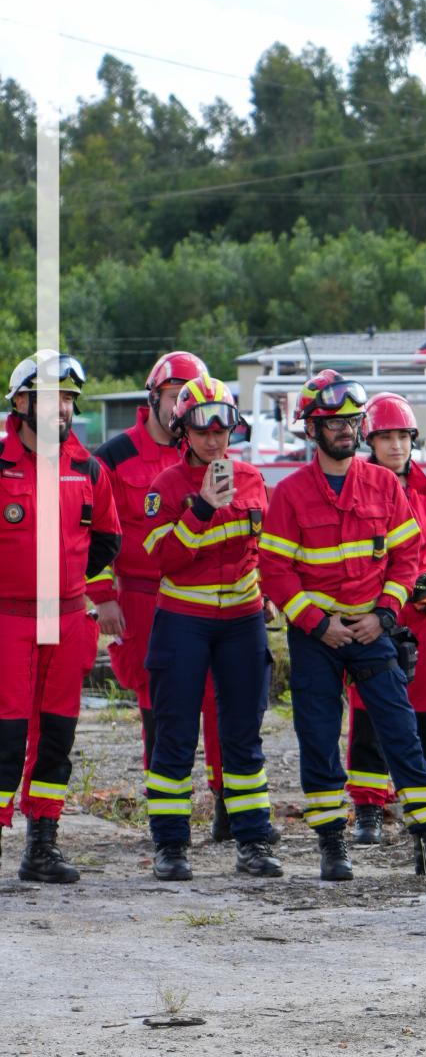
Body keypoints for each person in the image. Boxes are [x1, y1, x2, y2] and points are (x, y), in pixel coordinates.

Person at [259, 370, 426, 882]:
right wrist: (318, 624)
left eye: (352, 421)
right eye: (333, 422)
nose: (345, 430)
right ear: (312, 429)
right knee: (318, 735)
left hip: (372, 630)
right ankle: (332, 844)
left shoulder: (382, 485)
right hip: (317, 637)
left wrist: (383, 615)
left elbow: (408, 558)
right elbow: (275, 570)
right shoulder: (290, 494)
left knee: (401, 730)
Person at [95, 351, 241, 843]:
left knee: (220, 702)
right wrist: (102, 595)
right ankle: (167, 816)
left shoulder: (211, 454)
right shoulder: (115, 456)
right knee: (159, 706)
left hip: (208, 596)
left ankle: (227, 806)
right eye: (175, 395)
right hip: (142, 597)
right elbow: (89, 530)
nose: (184, 405)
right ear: (154, 398)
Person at [140, 377, 280, 881]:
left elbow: (264, 549)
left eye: (222, 430)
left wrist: (269, 595)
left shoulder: (253, 478)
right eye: (202, 430)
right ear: (184, 430)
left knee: (243, 736)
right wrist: (201, 507)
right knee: (175, 733)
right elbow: (164, 559)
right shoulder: (165, 487)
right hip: (184, 622)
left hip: (242, 621)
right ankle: (171, 846)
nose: (214, 440)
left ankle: (253, 841)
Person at [0, 351, 121, 881]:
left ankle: (41, 845)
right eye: (52, 400)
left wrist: (63, 581)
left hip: (69, 620)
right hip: (8, 621)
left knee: (56, 737)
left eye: (69, 401)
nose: (63, 410)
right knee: (5, 737)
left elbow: (107, 540)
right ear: (22, 404)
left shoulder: (88, 469)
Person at [346, 393, 426, 847]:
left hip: (420, 613)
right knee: (368, 708)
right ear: (369, 441)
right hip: (374, 612)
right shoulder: (357, 486)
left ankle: (422, 807)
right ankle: (368, 806)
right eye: (385, 437)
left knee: (423, 709)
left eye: (403, 436)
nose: (396, 445)